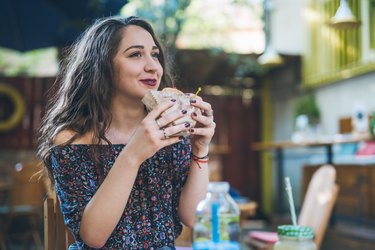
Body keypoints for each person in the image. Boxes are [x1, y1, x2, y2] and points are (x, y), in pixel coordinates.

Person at [37, 16, 215, 249]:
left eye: (155, 54)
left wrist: (200, 150)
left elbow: (192, 217)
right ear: (102, 66)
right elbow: (93, 237)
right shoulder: (72, 139)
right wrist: (134, 153)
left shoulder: (170, 129)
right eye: (135, 54)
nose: (153, 66)